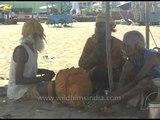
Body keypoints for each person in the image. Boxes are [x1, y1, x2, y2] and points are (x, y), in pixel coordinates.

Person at [86, 30, 160, 110]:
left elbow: (137, 82)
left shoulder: (151, 56)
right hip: (152, 88)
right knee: (132, 77)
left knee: (144, 82)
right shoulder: (131, 60)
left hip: (154, 87)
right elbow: (124, 85)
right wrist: (110, 96)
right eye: (122, 45)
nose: (121, 48)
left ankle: (111, 103)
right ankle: (113, 102)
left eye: (125, 45)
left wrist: (109, 101)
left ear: (137, 47)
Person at [7, 19, 55, 101]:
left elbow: (29, 70)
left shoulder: (33, 49)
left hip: (30, 86)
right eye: (40, 36)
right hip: (19, 92)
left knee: (55, 85)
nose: (42, 38)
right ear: (34, 36)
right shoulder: (21, 50)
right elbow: (19, 80)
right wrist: (43, 78)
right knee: (52, 88)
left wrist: (46, 72)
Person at [78, 13, 125, 93]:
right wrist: (96, 52)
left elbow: (124, 64)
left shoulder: (119, 44)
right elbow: (82, 64)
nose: (98, 29)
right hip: (94, 75)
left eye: (101, 26)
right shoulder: (91, 42)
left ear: (110, 27)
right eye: (97, 26)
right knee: (97, 71)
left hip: (113, 75)